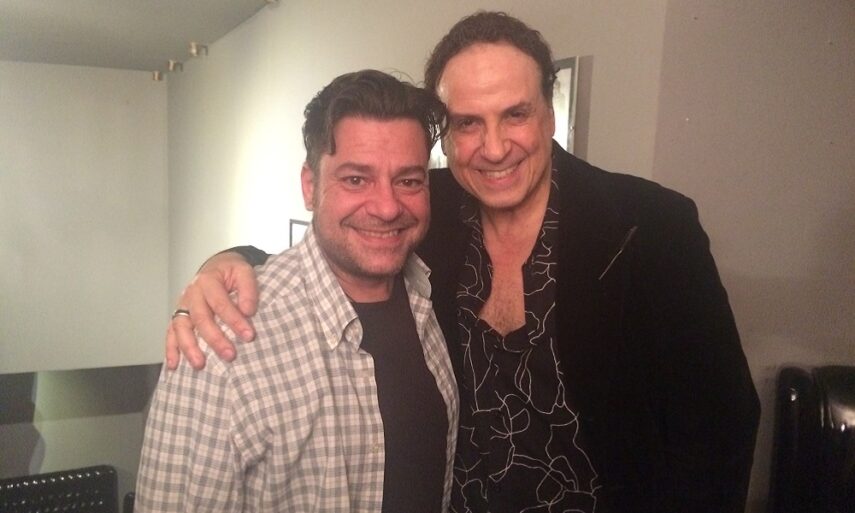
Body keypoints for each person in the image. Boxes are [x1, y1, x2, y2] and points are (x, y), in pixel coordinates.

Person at [166, 12, 760, 513]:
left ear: (548, 115)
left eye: (515, 114)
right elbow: (340, 245)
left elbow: (722, 427)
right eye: (468, 123)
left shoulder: (649, 226)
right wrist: (227, 263)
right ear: (445, 137)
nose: (494, 148)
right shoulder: (427, 207)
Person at [136, 70, 459, 512]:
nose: (387, 207)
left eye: (408, 180)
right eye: (356, 179)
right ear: (310, 186)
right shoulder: (220, 348)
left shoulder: (433, 297)